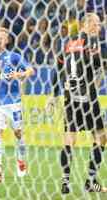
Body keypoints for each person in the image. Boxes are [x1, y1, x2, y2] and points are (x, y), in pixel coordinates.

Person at [47, 13, 106, 194]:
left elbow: (58, 69)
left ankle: (65, 182)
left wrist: (53, 95)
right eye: (96, 24)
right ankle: (90, 180)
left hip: (70, 96)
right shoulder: (92, 42)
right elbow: (99, 63)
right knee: (101, 136)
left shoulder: (67, 42)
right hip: (88, 95)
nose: (99, 27)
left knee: (69, 140)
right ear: (86, 24)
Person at [0, 29, 34, 182]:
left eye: (1, 38)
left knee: (18, 133)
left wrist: (20, 74)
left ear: (7, 41)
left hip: (13, 102)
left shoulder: (14, 56)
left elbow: (31, 70)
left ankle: (21, 160)